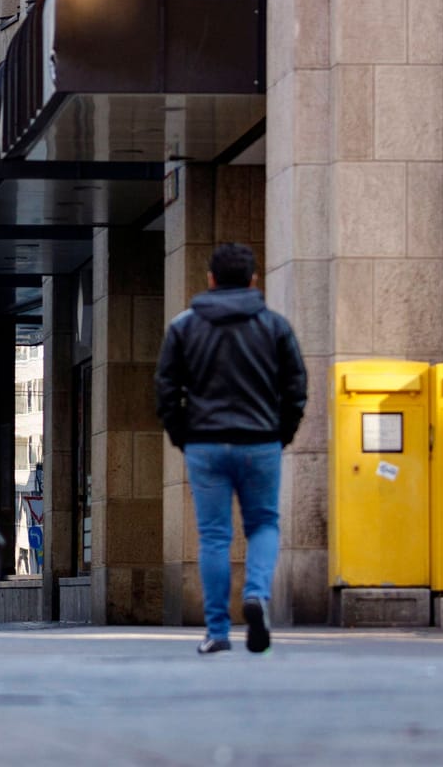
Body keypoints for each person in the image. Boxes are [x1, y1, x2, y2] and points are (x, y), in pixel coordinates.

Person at [154, 242, 306, 655]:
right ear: (254, 280)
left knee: (214, 537)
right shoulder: (275, 326)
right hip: (260, 442)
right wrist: (282, 433)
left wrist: (183, 436)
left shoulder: (184, 326)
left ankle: (218, 632)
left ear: (211, 280)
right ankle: (256, 595)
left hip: (205, 444)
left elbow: (166, 390)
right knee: (263, 524)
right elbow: (295, 387)